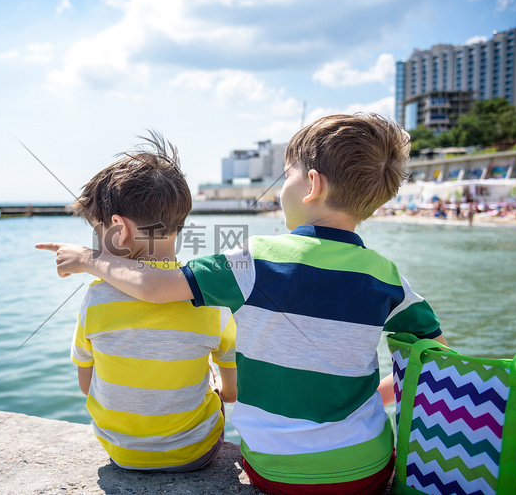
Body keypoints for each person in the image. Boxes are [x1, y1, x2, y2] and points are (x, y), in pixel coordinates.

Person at [38, 114, 448, 495]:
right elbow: (436, 359)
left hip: (273, 471)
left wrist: (89, 259)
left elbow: (154, 285)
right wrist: (370, 401)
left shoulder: (254, 259)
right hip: (366, 470)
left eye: (285, 175)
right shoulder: (388, 276)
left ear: (311, 184)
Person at [55, 131, 237, 473]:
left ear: (118, 230)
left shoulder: (95, 297)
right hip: (193, 454)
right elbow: (231, 392)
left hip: (121, 454)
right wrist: (216, 385)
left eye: (97, 231)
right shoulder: (211, 300)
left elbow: (86, 385)